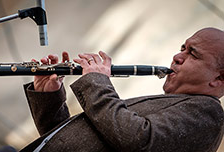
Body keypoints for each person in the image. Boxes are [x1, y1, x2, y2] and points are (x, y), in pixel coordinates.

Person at [20, 27, 224, 152]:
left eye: (193, 55)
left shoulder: (209, 113)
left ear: (219, 78)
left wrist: (96, 81)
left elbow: (137, 142)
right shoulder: (182, 105)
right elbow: (70, 142)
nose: (178, 57)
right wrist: (49, 97)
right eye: (182, 48)